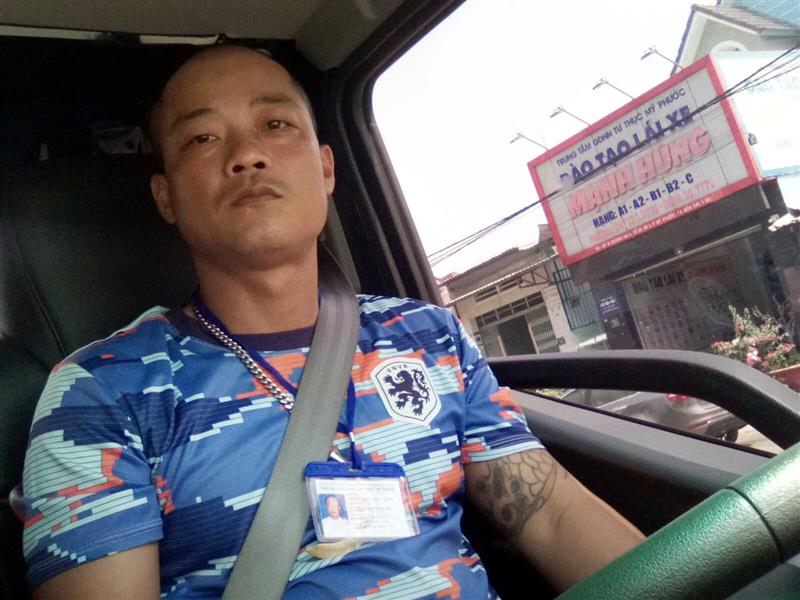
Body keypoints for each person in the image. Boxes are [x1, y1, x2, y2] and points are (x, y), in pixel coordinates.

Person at [15, 45, 644, 599]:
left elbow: (551, 515)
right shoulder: (99, 392)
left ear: (325, 168)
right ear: (165, 197)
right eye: (203, 138)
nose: (247, 155)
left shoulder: (430, 337)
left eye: (276, 125)